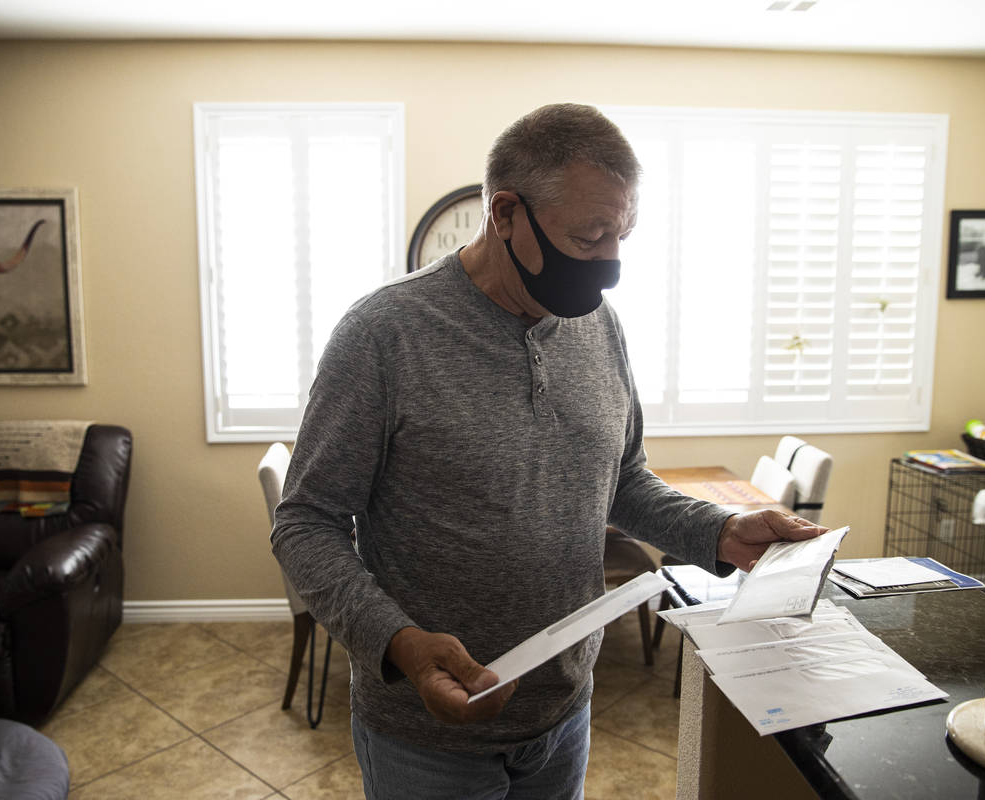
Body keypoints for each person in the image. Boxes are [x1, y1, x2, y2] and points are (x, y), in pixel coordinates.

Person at [271, 102, 829, 799]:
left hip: (564, 712)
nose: (611, 263)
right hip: (425, 737)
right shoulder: (385, 334)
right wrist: (400, 644)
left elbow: (622, 480)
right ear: (505, 214)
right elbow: (305, 523)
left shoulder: (600, 327)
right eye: (590, 235)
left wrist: (718, 529)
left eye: (622, 234)